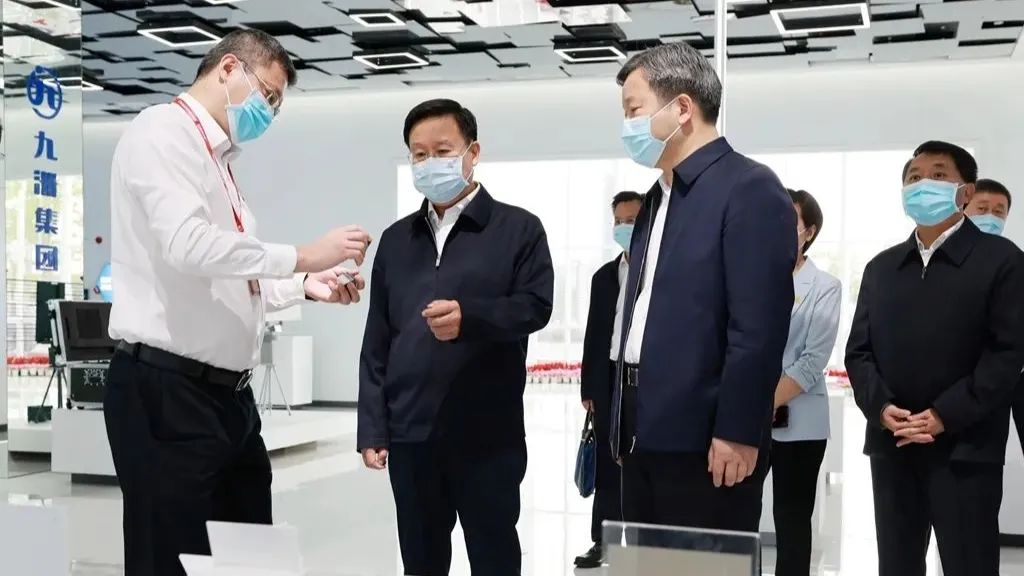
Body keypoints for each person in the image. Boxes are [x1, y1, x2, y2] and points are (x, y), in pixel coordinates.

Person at [104, 30, 372, 576]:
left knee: (247, 554)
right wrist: (303, 255)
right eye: (267, 95)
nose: (268, 113)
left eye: (276, 105)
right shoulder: (162, 131)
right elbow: (188, 246)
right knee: (170, 557)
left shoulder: (219, 159)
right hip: (167, 392)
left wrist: (304, 285)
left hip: (228, 399)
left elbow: (230, 278)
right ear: (229, 68)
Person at [357, 98, 554, 576]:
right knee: (421, 560)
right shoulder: (397, 240)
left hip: (487, 433)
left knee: (494, 557)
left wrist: (472, 318)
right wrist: (373, 427)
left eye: (442, 151)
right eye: (419, 154)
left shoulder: (518, 229)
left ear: (473, 152)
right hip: (411, 435)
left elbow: (535, 307)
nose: (430, 163)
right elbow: (377, 339)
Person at [610, 42, 796, 532]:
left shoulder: (749, 188)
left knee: (705, 562)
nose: (627, 126)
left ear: (682, 108)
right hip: (640, 430)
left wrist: (738, 429)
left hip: (706, 437)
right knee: (647, 563)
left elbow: (757, 328)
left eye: (634, 110)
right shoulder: (656, 198)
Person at [846, 141, 1024, 576]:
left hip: (966, 449)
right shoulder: (881, 268)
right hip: (893, 446)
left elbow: (1007, 353)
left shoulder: (1002, 261)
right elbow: (859, 352)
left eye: (939, 174)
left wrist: (945, 414)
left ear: (966, 192)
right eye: (914, 177)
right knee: (897, 564)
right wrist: (882, 408)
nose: (923, 183)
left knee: (969, 563)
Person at [771, 189, 842, 576]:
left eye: (789, 220)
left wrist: (763, 402)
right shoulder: (751, 278)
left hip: (799, 421)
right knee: (738, 510)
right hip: (745, 417)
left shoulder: (825, 286)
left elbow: (813, 360)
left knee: (792, 516)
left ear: (809, 232)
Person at [575, 190, 643, 569]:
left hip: (644, 379)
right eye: (619, 221)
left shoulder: (659, 272)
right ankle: (603, 543)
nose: (624, 227)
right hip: (609, 379)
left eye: (631, 221)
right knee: (606, 463)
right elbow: (593, 334)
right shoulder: (603, 276)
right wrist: (589, 388)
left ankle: (642, 544)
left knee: (640, 464)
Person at [965, 180, 1024, 455]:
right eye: (982, 208)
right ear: (963, 208)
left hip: (1011, 376)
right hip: (961, 382)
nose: (990, 217)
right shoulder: (944, 262)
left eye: (999, 212)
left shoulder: (1014, 262)